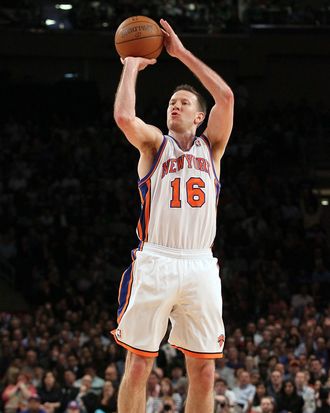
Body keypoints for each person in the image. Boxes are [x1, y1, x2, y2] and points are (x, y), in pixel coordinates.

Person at [113, 17, 234, 413]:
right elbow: (124, 119)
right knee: (138, 365)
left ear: (200, 117)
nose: (175, 105)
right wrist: (131, 67)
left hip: (200, 264)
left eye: (184, 103)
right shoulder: (153, 145)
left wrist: (180, 54)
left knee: (203, 373)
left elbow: (226, 97)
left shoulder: (211, 148)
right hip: (157, 259)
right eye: (171, 102)